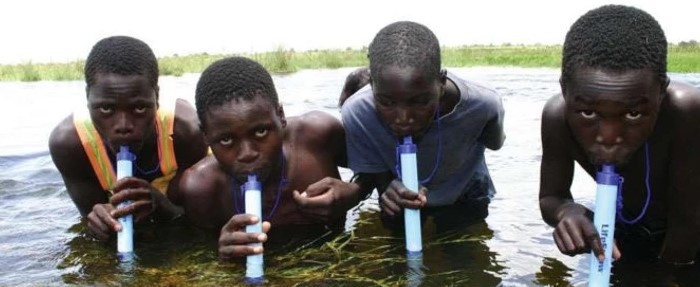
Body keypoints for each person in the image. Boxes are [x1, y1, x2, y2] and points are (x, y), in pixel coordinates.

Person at [539, 5, 700, 287]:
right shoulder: (557, 118)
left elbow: (687, 225)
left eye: (634, 114)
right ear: (565, 90)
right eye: (589, 114)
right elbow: (551, 197)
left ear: (661, 92)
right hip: (628, 213)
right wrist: (567, 213)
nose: (610, 136)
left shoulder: (686, 112)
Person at [178, 56, 359, 259]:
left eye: (261, 131)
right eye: (227, 140)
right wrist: (221, 255)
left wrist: (356, 193)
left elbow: (372, 171)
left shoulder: (318, 138)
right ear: (205, 136)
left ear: (280, 116)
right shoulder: (200, 190)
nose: (247, 153)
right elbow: (196, 257)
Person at [340, 21, 505, 231]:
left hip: (467, 193)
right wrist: (389, 190)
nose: (403, 118)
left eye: (420, 102)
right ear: (372, 85)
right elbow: (376, 175)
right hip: (404, 196)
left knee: (464, 254)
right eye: (387, 103)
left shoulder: (483, 104)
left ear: (442, 83)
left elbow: (495, 143)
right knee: (398, 256)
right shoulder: (357, 113)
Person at [48, 35, 208, 241]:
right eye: (106, 108)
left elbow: (193, 218)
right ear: (88, 98)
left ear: (156, 98)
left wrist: (162, 207)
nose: (123, 126)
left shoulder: (186, 132)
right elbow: (90, 219)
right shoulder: (69, 144)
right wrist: (100, 223)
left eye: (139, 108)